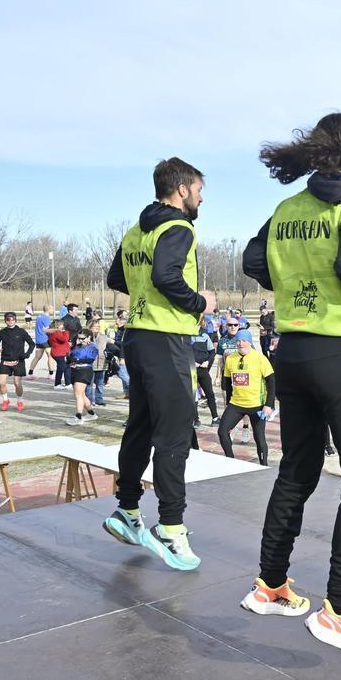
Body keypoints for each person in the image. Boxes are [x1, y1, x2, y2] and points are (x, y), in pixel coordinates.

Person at [239, 113, 341, 657]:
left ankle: (271, 584)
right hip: (340, 349)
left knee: (298, 469)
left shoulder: (288, 208)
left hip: (293, 351)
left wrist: (290, 279)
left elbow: (252, 259)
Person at [104, 157, 216, 572]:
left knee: (140, 425)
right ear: (182, 189)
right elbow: (168, 278)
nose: (201, 198)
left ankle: (128, 509)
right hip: (166, 338)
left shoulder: (137, 230)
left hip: (137, 336)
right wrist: (200, 302)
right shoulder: (178, 227)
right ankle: (170, 526)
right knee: (173, 435)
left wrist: (146, 291)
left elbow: (117, 278)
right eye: (199, 190)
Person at [218, 330, 275, 466]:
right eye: (238, 340)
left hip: (256, 405)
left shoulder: (260, 358)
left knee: (259, 438)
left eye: (244, 340)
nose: (240, 343)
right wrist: (228, 403)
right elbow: (228, 383)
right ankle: (230, 461)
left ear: (249, 342)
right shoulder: (230, 359)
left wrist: (269, 405)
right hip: (236, 404)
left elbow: (271, 382)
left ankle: (264, 466)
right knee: (222, 432)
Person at [0, 312, 33, 412]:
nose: (10, 321)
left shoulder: (21, 331)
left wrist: (27, 354)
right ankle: (5, 400)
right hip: (5, 361)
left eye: (12, 319)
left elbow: (32, 344)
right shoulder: (2, 332)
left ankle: (20, 401)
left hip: (18, 361)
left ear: (15, 320)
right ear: (5, 321)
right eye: (8, 319)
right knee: (1, 383)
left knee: (17, 383)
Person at [64, 329, 100, 425]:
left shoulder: (93, 347)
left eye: (83, 338)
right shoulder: (77, 346)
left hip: (84, 371)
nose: (80, 340)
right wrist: (72, 348)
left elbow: (89, 360)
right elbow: (69, 358)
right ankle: (91, 414)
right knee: (81, 394)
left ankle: (78, 416)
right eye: (79, 338)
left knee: (78, 394)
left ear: (89, 337)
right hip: (74, 370)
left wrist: (76, 360)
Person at [190, 322, 220, 429]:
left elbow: (212, 352)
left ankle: (215, 418)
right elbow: (182, 353)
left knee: (210, 394)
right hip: (191, 370)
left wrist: (207, 363)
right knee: (193, 395)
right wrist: (191, 362)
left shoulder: (205, 335)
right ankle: (195, 420)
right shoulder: (186, 336)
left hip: (203, 370)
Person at [28, 305, 55, 377]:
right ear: (48, 309)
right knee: (50, 356)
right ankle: (51, 374)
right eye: (52, 309)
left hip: (38, 340)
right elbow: (48, 329)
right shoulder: (46, 318)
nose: (53, 310)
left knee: (37, 357)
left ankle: (30, 373)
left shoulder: (39, 317)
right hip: (45, 339)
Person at [46, 318, 72, 389]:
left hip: (59, 352)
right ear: (58, 326)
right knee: (62, 368)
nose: (63, 326)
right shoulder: (56, 332)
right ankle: (57, 384)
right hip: (59, 353)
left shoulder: (54, 332)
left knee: (66, 367)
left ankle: (68, 383)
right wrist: (66, 332)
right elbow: (64, 339)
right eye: (61, 325)